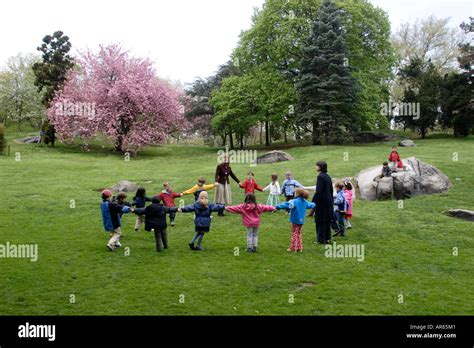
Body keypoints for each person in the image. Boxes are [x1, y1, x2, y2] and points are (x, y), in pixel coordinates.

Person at [276, 188, 315, 253]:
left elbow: (286, 205)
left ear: (297, 194)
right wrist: (315, 204)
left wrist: (277, 206)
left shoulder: (294, 201)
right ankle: (300, 248)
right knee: (299, 233)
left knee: (294, 233)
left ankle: (294, 248)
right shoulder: (304, 202)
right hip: (301, 220)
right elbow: (311, 205)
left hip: (295, 220)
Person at [309, 161, 334, 244]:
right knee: (327, 219)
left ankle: (320, 239)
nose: (315, 167)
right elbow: (331, 190)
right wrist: (331, 200)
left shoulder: (320, 177)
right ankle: (327, 238)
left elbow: (318, 191)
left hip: (321, 200)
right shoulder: (328, 176)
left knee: (320, 220)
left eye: (316, 166)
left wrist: (313, 202)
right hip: (328, 199)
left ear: (320, 167)